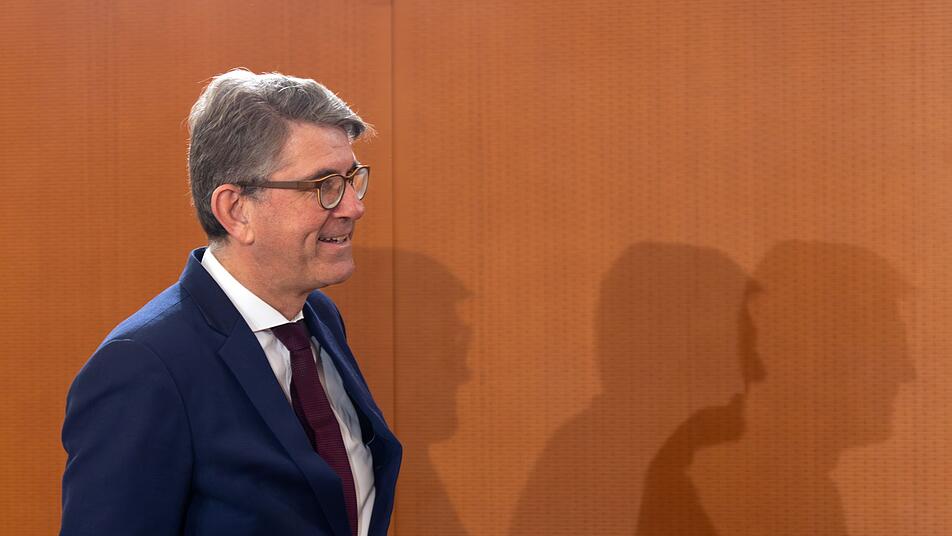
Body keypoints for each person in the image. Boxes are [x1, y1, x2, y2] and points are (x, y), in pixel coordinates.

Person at [60, 69, 401, 536]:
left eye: (351, 179)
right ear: (236, 211)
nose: (353, 207)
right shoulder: (142, 367)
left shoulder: (319, 315)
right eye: (323, 185)